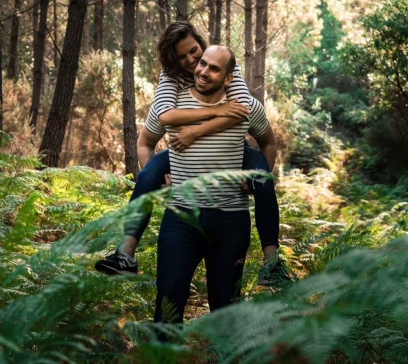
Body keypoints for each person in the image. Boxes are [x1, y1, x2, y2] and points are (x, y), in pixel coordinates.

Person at [95, 22, 290, 285]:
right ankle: (125, 253)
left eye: (194, 51)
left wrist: (196, 132)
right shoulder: (170, 76)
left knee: (264, 178)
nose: (192, 60)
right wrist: (166, 177)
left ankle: (272, 263)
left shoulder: (226, 65)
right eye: (182, 57)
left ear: (202, 43)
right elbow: (164, 117)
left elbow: (240, 110)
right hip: (180, 155)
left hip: (233, 152)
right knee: (148, 174)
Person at [145, 45, 277, 326]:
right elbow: (145, 142)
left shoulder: (246, 108)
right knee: (167, 303)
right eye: (202, 63)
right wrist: (153, 176)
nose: (203, 71)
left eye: (214, 68)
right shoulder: (173, 106)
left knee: (227, 308)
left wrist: (255, 181)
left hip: (231, 221)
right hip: (180, 218)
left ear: (229, 78)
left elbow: (268, 142)